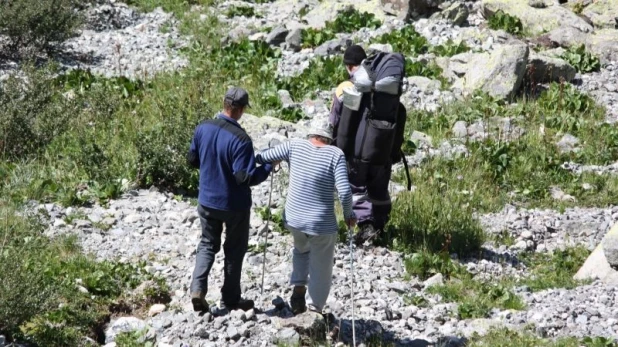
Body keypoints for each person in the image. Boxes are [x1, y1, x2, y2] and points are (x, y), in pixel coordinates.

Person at [255, 116, 356, 315]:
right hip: (321, 224)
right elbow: (344, 191)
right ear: (329, 137)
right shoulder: (335, 154)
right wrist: (348, 214)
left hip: (294, 218)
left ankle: (298, 290)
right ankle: (314, 309)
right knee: (322, 265)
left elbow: (263, 156)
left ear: (311, 134)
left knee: (301, 250)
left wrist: (270, 159)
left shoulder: (294, 145)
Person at [187, 87, 274, 312]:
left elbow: (192, 160)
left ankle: (197, 288)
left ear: (224, 103)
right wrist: (267, 167)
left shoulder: (203, 127)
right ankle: (231, 299)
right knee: (234, 250)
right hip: (234, 206)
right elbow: (244, 178)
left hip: (206, 200)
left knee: (207, 243)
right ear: (241, 110)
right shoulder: (241, 140)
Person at [329, 44, 394, 246]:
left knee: (356, 187)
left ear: (349, 67)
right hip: (382, 148)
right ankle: (380, 225)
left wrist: (336, 145)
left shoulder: (346, 88)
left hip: (356, 152)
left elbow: (335, 121)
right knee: (378, 187)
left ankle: (366, 226)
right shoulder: (383, 90)